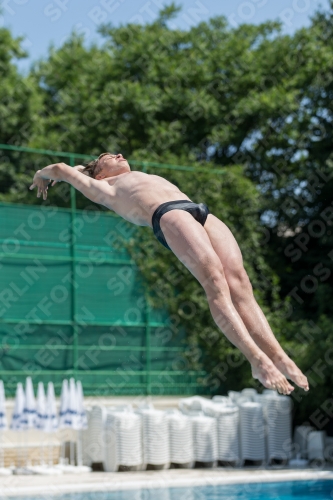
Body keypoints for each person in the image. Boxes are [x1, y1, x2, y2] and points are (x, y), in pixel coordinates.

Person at [30, 153, 309, 395]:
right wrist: (41, 174)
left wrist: (86, 166)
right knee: (215, 283)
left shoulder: (129, 174)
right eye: (109, 156)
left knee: (240, 284)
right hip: (168, 214)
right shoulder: (102, 188)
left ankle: (279, 356)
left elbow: (79, 168)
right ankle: (257, 361)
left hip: (197, 210)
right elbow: (61, 170)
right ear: (100, 173)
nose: (118, 154)